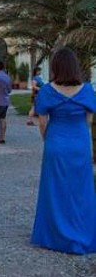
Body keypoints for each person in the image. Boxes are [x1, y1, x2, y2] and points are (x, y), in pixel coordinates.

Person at [31, 47, 96, 255]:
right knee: (81, 190)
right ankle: (82, 231)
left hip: (56, 141)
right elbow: (88, 121)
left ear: (56, 67)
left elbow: (42, 122)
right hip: (79, 143)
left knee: (55, 189)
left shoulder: (47, 91)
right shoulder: (87, 90)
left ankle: (55, 234)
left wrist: (49, 140)